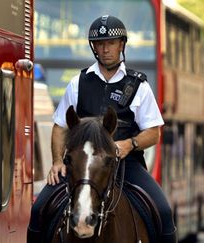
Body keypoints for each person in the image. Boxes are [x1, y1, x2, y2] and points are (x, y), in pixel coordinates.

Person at [27, 15, 177, 242]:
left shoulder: (139, 85)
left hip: (127, 165)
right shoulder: (78, 82)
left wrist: (130, 144)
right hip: (81, 164)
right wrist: (58, 161)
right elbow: (60, 126)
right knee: (38, 209)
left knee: (164, 212)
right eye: (100, 44)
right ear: (94, 47)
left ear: (121, 45)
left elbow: (153, 133)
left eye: (110, 43)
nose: (105, 49)